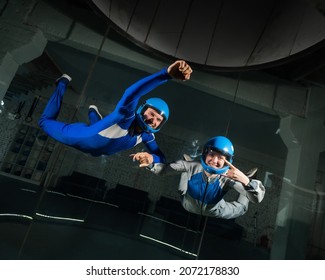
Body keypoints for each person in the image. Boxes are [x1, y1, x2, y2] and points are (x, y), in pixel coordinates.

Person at [38, 60, 192, 162]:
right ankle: (62, 83)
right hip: (80, 138)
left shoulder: (147, 136)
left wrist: (152, 159)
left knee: (99, 124)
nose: (153, 120)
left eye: (158, 120)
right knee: (44, 122)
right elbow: (132, 93)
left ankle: (94, 114)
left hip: (100, 150)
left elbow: (160, 158)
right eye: (152, 114)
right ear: (142, 109)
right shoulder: (126, 116)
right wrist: (165, 75)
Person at [131, 136, 265, 219]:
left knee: (241, 209)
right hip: (187, 205)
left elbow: (255, 199)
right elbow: (164, 170)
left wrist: (245, 181)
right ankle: (186, 169)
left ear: (227, 161)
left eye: (221, 158)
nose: (214, 161)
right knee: (185, 183)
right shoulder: (192, 166)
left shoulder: (227, 178)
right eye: (212, 155)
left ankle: (249, 178)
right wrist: (150, 163)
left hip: (217, 211)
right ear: (205, 153)